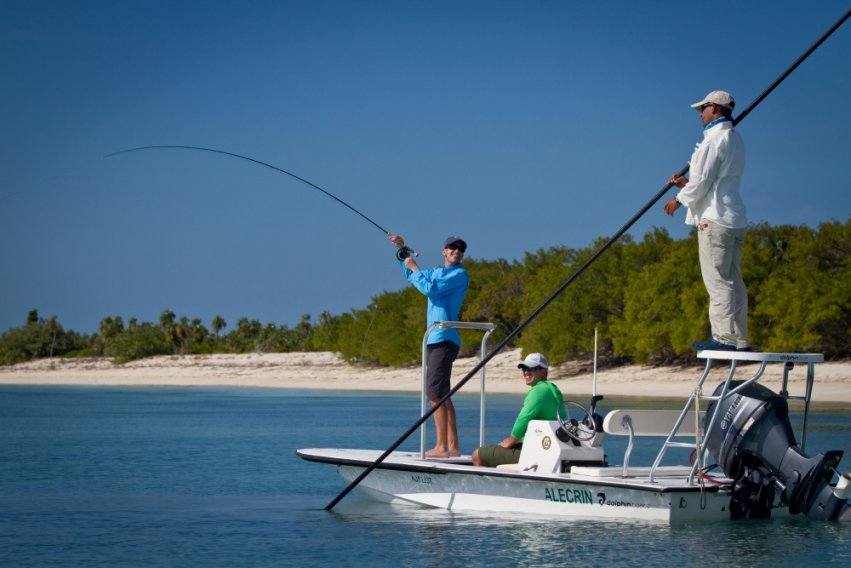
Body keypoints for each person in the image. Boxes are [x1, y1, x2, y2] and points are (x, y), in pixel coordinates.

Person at [663, 90, 750, 352]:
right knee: (734, 280)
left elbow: (703, 182)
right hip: (734, 218)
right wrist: (687, 183)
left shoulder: (713, 141)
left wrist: (678, 199)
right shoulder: (735, 139)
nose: (699, 114)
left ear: (714, 108)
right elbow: (714, 183)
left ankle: (724, 338)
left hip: (714, 221)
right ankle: (740, 338)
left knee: (718, 281)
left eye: (702, 108)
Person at [388, 233, 469, 458]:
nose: (457, 251)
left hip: (443, 338)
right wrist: (402, 249)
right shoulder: (436, 272)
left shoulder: (459, 274)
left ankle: (442, 447)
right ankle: (452, 447)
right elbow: (413, 275)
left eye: (461, 249)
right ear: (444, 251)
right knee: (442, 393)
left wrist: (415, 269)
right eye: (452, 247)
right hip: (435, 339)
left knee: (435, 393)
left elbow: (428, 289)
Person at [472, 353, 563, 467]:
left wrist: (511, 440)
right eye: (524, 368)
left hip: (532, 451)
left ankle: (488, 485)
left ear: (544, 371)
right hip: (547, 448)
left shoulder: (538, 391)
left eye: (531, 368)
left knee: (477, 455)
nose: (526, 372)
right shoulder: (553, 390)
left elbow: (524, 418)